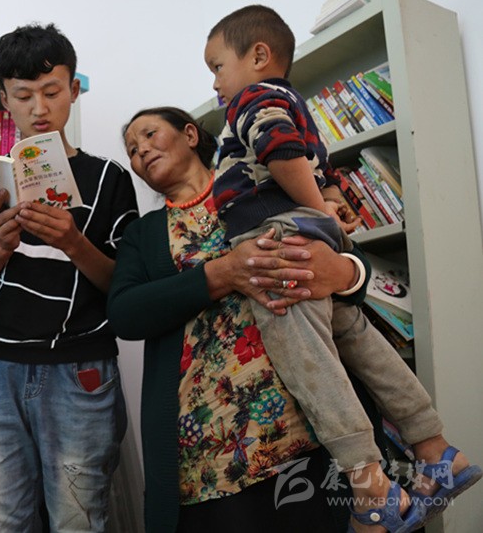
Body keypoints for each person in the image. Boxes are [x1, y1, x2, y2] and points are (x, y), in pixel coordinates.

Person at [203, 5, 480, 531]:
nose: (215, 82)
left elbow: (280, 152)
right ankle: (436, 448)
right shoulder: (296, 105)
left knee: (308, 361)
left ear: (258, 56)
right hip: (311, 237)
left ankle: (369, 482)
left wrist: (317, 209)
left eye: (217, 66)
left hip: (279, 239)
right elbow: (324, 174)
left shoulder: (253, 99)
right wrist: (329, 206)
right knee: (360, 342)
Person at [112, 106, 378, 532]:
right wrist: (220, 274)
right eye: (131, 150)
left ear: (190, 135)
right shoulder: (141, 236)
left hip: (307, 430)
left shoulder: (260, 187)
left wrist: (343, 272)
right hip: (208, 454)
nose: (140, 150)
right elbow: (125, 314)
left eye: (149, 135)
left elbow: (354, 268)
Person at [0, 23, 139, 532]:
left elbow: (125, 287)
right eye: (23, 95)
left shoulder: (109, 178)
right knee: (0, 524)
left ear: (74, 90)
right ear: (4, 99)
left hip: (79, 367)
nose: (39, 108)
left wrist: (73, 242)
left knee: (79, 521)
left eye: (52, 92)